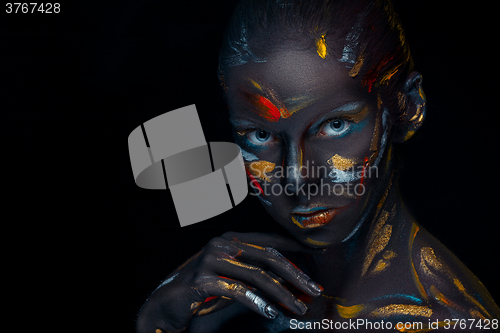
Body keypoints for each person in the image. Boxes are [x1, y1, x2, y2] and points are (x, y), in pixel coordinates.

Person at [136, 0, 500, 331]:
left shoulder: (447, 323)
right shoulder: (219, 305)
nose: (295, 177)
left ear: (407, 108)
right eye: (260, 135)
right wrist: (157, 319)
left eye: (335, 125)